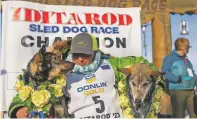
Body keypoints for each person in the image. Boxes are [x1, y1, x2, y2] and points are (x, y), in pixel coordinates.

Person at [10, 33, 167, 118]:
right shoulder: (62, 73)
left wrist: (152, 75)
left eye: (85, 55)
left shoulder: (111, 65)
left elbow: (142, 63)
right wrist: (18, 109)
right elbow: (29, 90)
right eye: (76, 55)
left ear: (95, 52)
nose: (80, 59)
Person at [162, 37, 197, 118]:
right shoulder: (170, 58)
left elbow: (191, 71)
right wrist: (177, 79)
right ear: (183, 47)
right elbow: (165, 72)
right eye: (187, 47)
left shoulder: (185, 59)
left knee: (194, 114)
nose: (188, 49)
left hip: (190, 90)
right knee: (179, 115)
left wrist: (194, 79)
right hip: (178, 91)